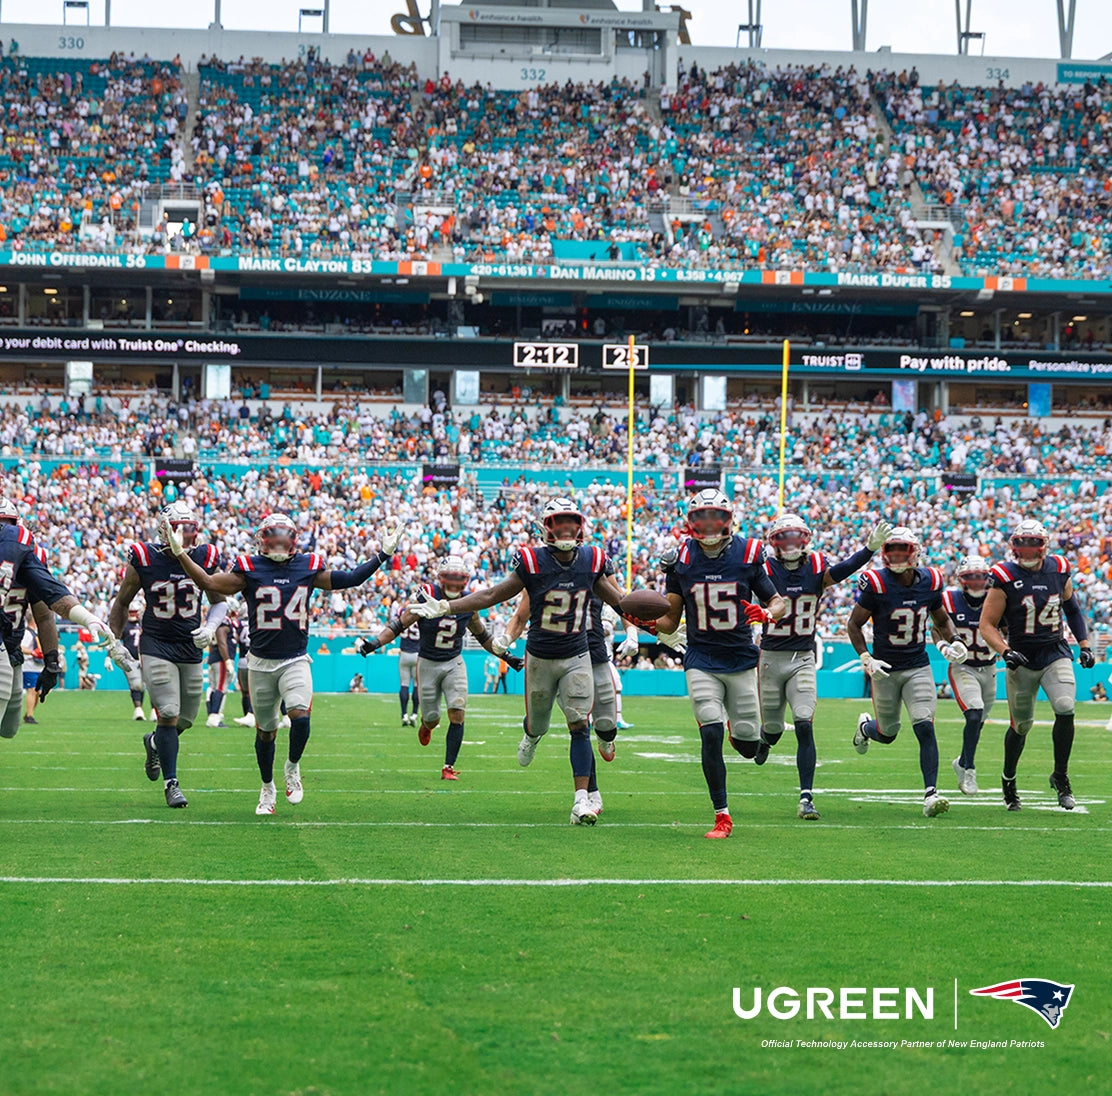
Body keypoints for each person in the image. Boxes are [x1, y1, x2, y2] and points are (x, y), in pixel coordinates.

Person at [166, 511, 401, 815]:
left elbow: (351, 578)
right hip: (260, 663)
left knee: (300, 716)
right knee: (265, 732)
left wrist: (382, 554)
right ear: (262, 541)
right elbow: (208, 581)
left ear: (292, 541)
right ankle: (267, 788)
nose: (278, 544)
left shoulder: (307, 566)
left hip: (294, 659)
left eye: (283, 538)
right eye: (272, 538)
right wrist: (181, 553)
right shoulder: (248, 568)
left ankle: (292, 766)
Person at [412, 497, 626, 825]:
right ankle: (531, 733)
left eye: (572, 521)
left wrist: (662, 625)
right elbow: (492, 595)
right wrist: (447, 607)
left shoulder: (592, 559)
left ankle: (581, 800)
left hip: (577, 653)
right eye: (560, 522)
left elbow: (621, 600)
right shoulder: (532, 561)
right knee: (538, 723)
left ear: (580, 525)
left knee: (578, 722)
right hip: (540, 656)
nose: (567, 528)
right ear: (547, 527)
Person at [652, 488, 787, 839]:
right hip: (701, 658)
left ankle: (742, 733)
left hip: (741, 658)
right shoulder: (680, 558)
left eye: (716, 517)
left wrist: (768, 614)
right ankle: (722, 815)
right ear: (691, 522)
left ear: (728, 521)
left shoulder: (748, 553)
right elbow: (670, 618)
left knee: (746, 745)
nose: (709, 524)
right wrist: (647, 621)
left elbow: (777, 600)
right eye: (702, 517)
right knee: (709, 731)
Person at [758, 512, 891, 819]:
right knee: (775, 730)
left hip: (803, 657)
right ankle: (766, 738)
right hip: (771, 657)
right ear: (775, 543)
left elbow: (842, 571)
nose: (791, 545)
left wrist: (869, 550)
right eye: (784, 538)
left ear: (805, 540)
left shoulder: (817, 567)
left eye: (796, 538)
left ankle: (806, 798)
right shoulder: (763, 570)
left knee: (804, 722)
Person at [108, 502, 228, 809]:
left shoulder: (204, 556)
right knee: (170, 711)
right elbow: (123, 602)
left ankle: (154, 742)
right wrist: (115, 641)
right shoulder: (145, 558)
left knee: (186, 719)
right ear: (166, 530)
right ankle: (172, 784)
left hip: (190, 645)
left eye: (190, 529)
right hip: (156, 643)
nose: (186, 536)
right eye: (180, 529)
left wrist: (211, 626)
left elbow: (219, 601)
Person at [358, 555, 521, 780]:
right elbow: (399, 624)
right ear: (441, 579)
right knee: (433, 717)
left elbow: (483, 637)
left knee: (457, 711)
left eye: (458, 579)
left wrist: (509, 658)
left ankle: (448, 767)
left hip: (454, 662)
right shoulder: (427, 596)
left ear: (465, 580)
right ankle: (426, 725)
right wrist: (375, 643)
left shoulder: (468, 603)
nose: (454, 584)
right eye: (450, 578)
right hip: (427, 663)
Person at [847, 526, 968, 818]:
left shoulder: (930, 580)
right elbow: (854, 624)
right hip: (885, 668)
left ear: (915, 553)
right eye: (892, 550)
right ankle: (866, 727)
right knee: (888, 734)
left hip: (917, 665)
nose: (898, 555)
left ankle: (931, 794)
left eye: (904, 550)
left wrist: (955, 640)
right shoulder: (876, 582)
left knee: (924, 724)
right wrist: (866, 658)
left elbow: (941, 618)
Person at [978, 519, 1092, 811]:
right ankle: (1009, 779)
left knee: (1066, 706)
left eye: (1033, 544)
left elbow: (1073, 608)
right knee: (1022, 725)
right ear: (1014, 546)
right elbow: (987, 624)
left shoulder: (1059, 568)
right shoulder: (1003, 575)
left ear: (1044, 546)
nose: (1027, 551)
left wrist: (1085, 644)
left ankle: (1061, 776)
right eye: (1022, 544)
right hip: (1022, 656)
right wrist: (1005, 651)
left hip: (1055, 651)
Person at [938, 556, 999, 796]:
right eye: (971, 577)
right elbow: (937, 626)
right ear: (962, 580)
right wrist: (944, 647)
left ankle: (962, 760)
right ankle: (969, 769)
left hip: (990, 667)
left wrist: (1003, 645)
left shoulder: (996, 599)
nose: (976, 582)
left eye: (981, 577)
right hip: (964, 667)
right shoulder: (949, 600)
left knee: (979, 721)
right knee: (973, 714)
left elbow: (1007, 629)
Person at [205, 608, 237, 728]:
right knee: (220, 687)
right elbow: (222, 641)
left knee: (214, 687)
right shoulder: (224, 622)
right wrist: (227, 660)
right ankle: (214, 717)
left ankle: (213, 714)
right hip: (221, 659)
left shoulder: (213, 620)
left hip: (215, 658)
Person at [121, 606, 148, 720]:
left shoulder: (146, 625)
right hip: (131, 659)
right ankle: (138, 709)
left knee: (151, 686)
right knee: (136, 684)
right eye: (130, 612)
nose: (132, 614)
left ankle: (154, 711)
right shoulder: (124, 625)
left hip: (146, 657)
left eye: (134, 612)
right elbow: (116, 641)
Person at [231, 606, 254, 727]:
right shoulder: (256, 620)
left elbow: (234, 640)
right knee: (253, 691)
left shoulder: (238, 624)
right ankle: (249, 717)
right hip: (255, 658)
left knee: (245, 692)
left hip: (242, 659)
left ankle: (247, 715)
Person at [397, 618, 421, 725]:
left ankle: (404, 715)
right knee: (417, 685)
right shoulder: (421, 617)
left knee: (404, 684)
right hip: (417, 654)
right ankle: (414, 714)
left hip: (404, 654)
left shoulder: (405, 617)